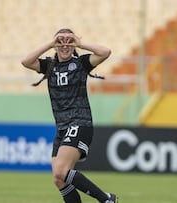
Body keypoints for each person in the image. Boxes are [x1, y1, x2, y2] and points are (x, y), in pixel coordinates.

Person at [21, 28, 117, 203]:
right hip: (62, 128)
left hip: (80, 123)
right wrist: (51, 43)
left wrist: (80, 43)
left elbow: (105, 52)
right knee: (59, 180)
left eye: (69, 41)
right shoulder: (49, 66)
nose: (65, 44)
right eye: (61, 41)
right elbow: (26, 61)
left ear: (74, 44)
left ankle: (107, 199)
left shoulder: (81, 63)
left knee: (61, 171)